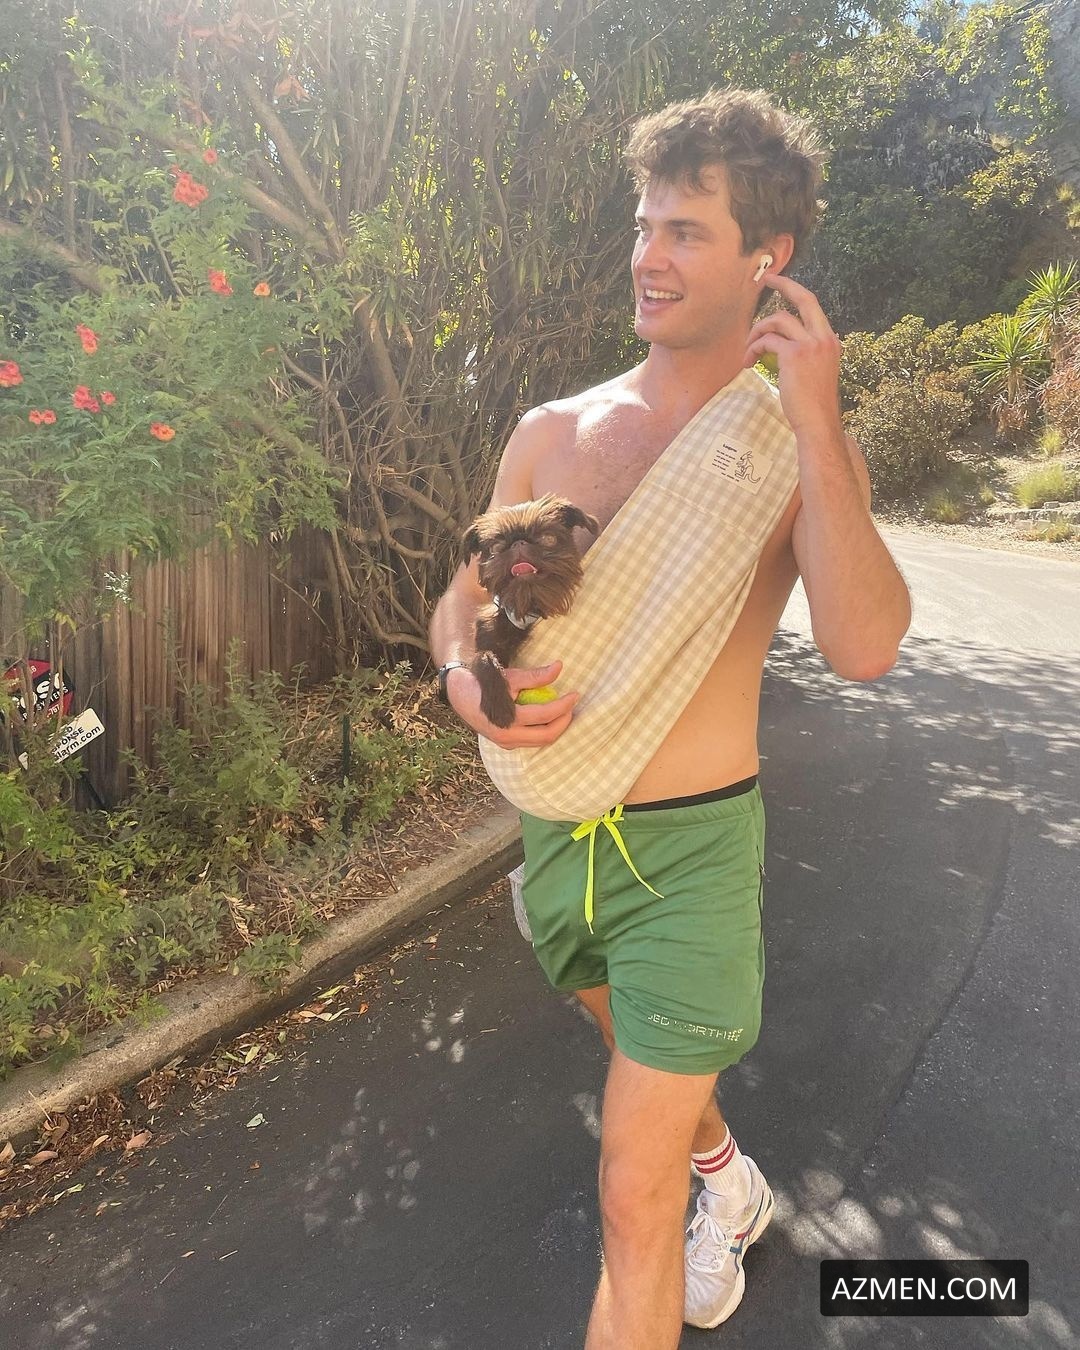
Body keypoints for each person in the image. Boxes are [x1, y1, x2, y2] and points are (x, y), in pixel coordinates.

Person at [428, 87, 912, 1349]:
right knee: (647, 1066)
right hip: (558, 835)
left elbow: (865, 646)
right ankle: (729, 1176)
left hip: (693, 856)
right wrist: (463, 680)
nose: (649, 255)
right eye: (645, 226)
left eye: (687, 232)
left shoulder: (790, 447)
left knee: (628, 1192)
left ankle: (699, 1200)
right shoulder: (552, 432)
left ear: (769, 257)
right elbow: (461, 602)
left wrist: (817, 419)